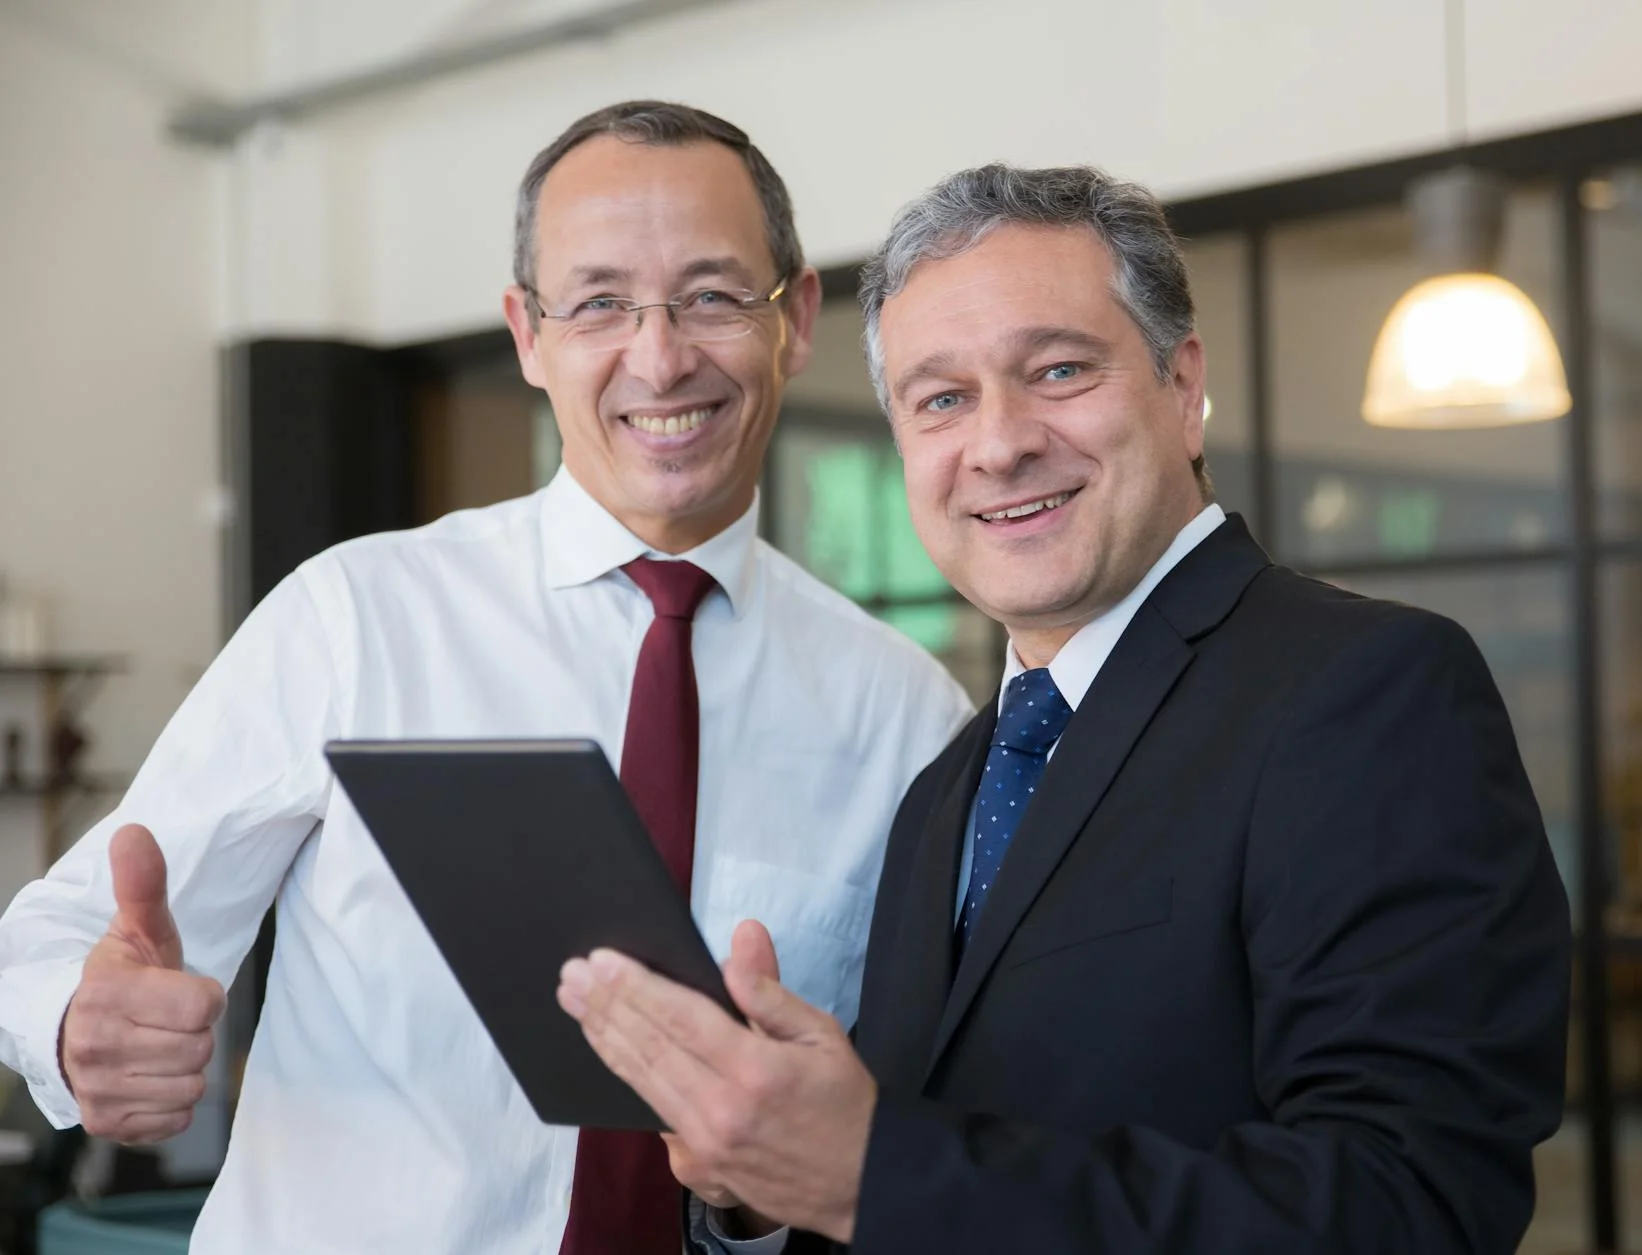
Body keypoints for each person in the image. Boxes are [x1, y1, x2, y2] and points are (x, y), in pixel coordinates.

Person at [0, 102, 971, 1255]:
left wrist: (758, 1197)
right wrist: (78, 1023)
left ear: (795, 318)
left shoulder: (907, 716)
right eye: (600, 301)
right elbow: (64, 928)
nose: (658, 357)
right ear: (526, 332)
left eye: (711, 296)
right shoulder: (357, 616)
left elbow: (893, 1132)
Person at [557, 163, 1574, 1254]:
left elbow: (1406, 1204)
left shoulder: (1367, 692)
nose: (996, 443)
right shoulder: (952, 780)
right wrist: (761, 1187)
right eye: (939, 399)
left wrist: (867, 1172)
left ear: (1181, 389)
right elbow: (915, 1169)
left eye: (1055, 370)